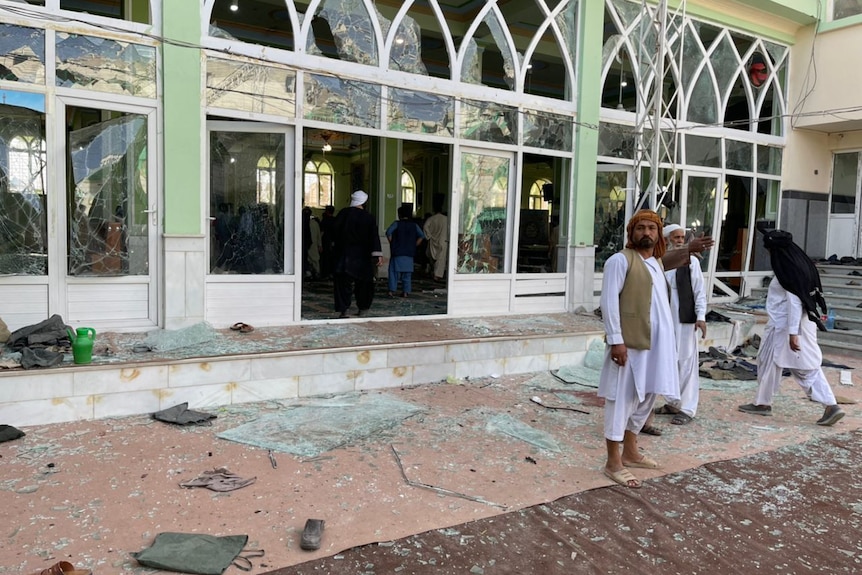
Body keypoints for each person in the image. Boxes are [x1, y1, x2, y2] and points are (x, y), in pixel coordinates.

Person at [599, 209, 713, 489]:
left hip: (657, 348)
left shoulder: (655, 263)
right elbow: (609, 303)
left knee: (648, 396)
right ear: (631, 233)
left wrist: (689, 249)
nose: (646, 233)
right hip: (630, 346)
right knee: (622, 399)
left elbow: (670, 260)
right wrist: (616, 340)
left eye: (652, 228)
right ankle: (613, 462)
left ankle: (631, 451)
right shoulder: (619, 261)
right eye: (641, 228)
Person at [738, 229, 845, 426]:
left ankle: (831, 405)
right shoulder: (796, 264)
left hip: (789, 327)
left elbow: (795, 302)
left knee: (804, 370)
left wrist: (792, 333)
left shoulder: (789, 270)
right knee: (767, 361)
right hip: (782, 326)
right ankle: (762, 403)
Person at [651, 223, 708, 428]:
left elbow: (699, 291)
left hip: (685, 320)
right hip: (664, 320)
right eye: (675, 237)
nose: (680, 241)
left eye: (682, 237)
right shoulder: (658, 262)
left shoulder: (691, 261)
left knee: (686, 363)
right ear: (665, 239)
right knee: (667, 361)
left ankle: (687, 408)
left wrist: (701, 316)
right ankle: (673, 403)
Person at [331, 191, 384, 318]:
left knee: (342, 284)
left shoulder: (342, 214)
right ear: (364, 202)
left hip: (343, 256)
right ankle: (363, 308)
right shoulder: (368, 217)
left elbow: (333, 233)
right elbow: (373, 237)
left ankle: (343, 309)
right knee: (364, 283)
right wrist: (378, 255)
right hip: (362, 257)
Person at [386, 205, 425, 297]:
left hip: (397, 252)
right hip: (409, 252)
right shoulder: (414, 225)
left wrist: (392, 242)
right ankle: (406, 292)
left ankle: (392, 290)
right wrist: (415, 244)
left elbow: (388, 232)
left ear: (399, 214)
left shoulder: (397, 224)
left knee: (393, 272)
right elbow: (422, 236)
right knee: (407, 274)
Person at [423, 206, 449, 282]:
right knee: (441, 259)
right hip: (443, 241)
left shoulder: (431, 219)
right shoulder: (446, 219)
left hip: (432, 240)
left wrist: (429, 236)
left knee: (432, 257)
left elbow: (425, 227)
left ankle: (433, 272)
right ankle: (437, 275)